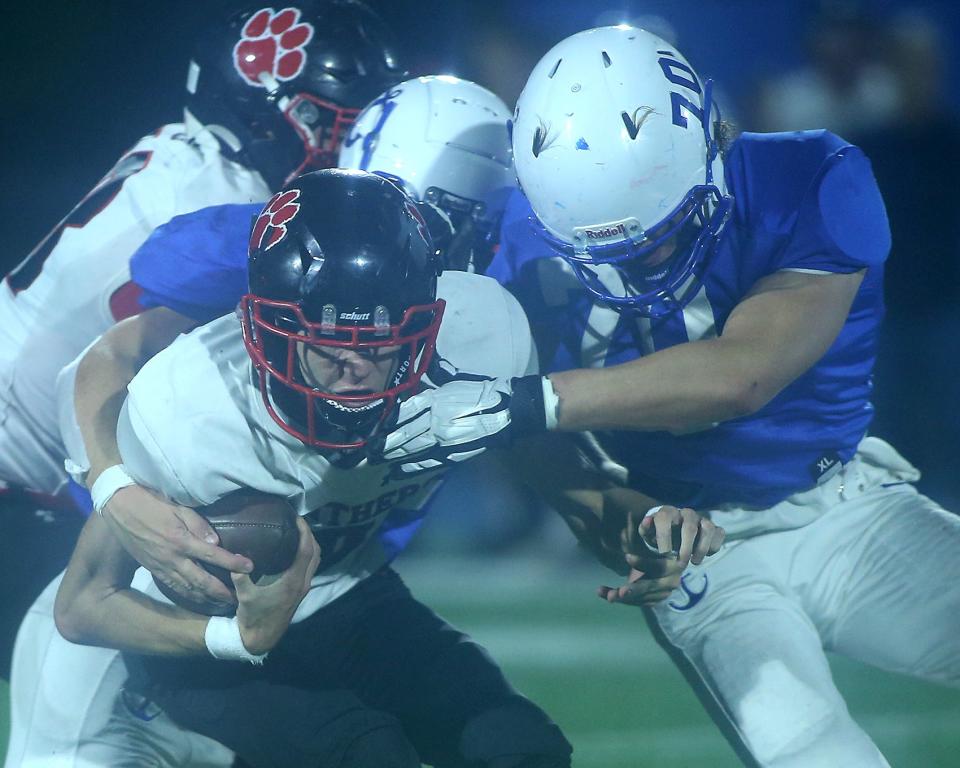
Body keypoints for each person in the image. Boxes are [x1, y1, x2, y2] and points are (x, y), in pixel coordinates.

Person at [381, 25, 960, 768]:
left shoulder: (811, 178)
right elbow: (555, 472)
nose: (644, 259)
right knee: (816, 755)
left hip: (847, 512)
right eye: (610, 250)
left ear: (710, 141)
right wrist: (636, 525)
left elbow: (741, 375)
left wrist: (534, 398)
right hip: (707, 564)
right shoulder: (519, 250)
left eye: (659, 231)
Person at [49, 169, 573, 768]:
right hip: (202, 652)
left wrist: (628, 515)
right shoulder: (187, 409)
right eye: (324, 340)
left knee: (518, 746)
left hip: (353, 596)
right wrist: (235, 638)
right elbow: (83, 604)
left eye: (379, 338)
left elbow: (533, 442)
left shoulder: (486, 339)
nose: (353, 367)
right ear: (271, 331)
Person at [0, 0, 404, 678]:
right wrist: (122, 500)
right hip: (24, 485)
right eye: (331, 126)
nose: (349, 150)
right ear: (266, 112)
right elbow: (105, 371)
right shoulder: (223, 208)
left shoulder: (189, 158)